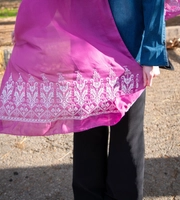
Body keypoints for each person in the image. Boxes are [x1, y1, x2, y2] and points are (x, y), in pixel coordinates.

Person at [0, 0, 179, 199]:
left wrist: (152, 52)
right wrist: (28, 24)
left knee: (122, 135)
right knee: (94, 133)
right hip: (98, 45)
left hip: (122, 46)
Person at [72, 0, 168, 200]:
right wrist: (29, 26)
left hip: (126, 54)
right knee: (87, 134)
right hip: (87, 51)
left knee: (126, 136)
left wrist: (152, 53)